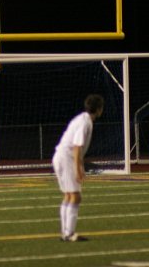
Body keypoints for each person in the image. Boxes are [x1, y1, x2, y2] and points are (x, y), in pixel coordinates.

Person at [52, 93, 105, 242]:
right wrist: (78, 169)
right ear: (99, 109)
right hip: (66, 158)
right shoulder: (86, 122)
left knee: (69, 196)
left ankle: (65, 233)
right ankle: (69, 234)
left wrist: (79, 166)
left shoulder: (81, 118)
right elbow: (77, 147)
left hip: (60, 156)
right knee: (75, 196)